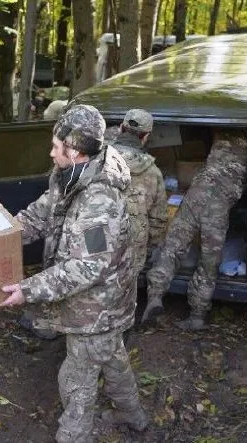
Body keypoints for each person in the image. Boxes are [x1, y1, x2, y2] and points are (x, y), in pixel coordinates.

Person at [0, 105, 148, 442]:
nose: (51, 154)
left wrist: (28, 289)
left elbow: (88, 266)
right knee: (112, 358)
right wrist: (0, 233)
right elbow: (41, 215)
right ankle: (134, 416)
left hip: (96, 310)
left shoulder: (100, 203)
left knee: (77, 381)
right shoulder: (69, 175)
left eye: (56, 147)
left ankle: (73, 436)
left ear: (77, 151)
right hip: (99, 311)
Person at [142, 129, 247, 330]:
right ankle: (197, 316)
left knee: (173, 246)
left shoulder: (220, 134)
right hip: (219, 204)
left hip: (199, 191)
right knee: (209, 262)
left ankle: (155, 296)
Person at [107, 109, 168, 312]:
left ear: (122, 128)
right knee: (124, 292)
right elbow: (159, 220)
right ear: (146, 136)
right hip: (133, 243)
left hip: (96, 236)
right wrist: (150, 247)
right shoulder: (153, 173)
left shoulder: (98, 160)